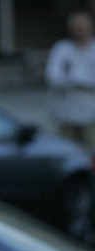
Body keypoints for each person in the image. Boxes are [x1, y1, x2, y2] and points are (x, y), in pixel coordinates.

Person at [46, 11, 95, 150]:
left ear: (91, 27)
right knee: (67, 157)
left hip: (91, 118)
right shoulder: (61, 49)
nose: (80, 30)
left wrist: (72, 78)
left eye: (83, 26)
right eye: (77, 27)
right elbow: (53, 78)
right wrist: (85, 79)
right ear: (70, 28)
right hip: (65, 118)